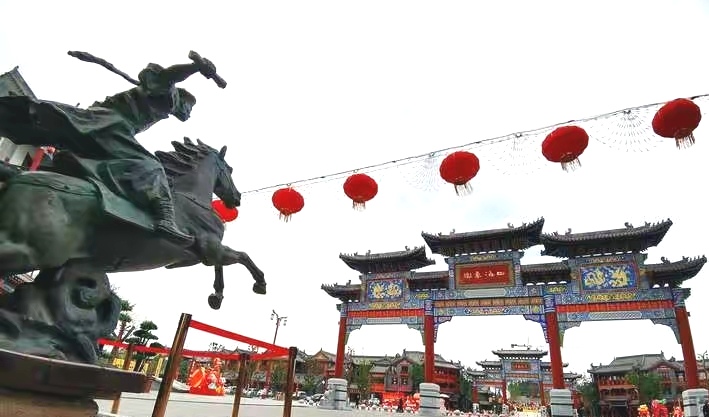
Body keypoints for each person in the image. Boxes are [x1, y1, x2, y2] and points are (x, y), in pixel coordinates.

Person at [0, 58, 216, 243]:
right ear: (181, 100)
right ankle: (166, 219)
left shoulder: (156, 98)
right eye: (189, 108)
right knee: (153, 167)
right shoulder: (166, 96)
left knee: (111, 163)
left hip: (105, 125)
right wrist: (195, 67)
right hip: (111, 127)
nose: (188, 114)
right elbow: (170, 76)